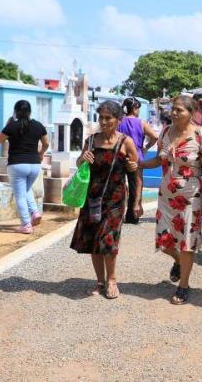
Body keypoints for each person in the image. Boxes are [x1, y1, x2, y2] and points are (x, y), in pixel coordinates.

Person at [135, 95, 202, 304]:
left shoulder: (200, 135)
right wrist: (139, 164)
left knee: (187, 241)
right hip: (166, 195)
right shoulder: (166, 132)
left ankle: (184, 285)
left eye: (180, 110)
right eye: (173, 109)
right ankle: (178, 261)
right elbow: (159, 160)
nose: (175, 113)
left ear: (191, 112)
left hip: (190, 196)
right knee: (165, 241)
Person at [70, 101, 141, 299]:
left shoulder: (125, 142)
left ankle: (112, 280)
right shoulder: (92, 141)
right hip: (92, 197)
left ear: (118, 120)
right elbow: (79, 164)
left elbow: (135, 172)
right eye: (101, 117)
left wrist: (136, 202)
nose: (103, 121)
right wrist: (83, 158)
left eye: (108, 118)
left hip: (116, 199)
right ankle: (100, 281)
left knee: (108, 239)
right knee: (94, 239)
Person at [0, 100, 50, 234]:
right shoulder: (38, 125)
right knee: (26, 190)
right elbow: (46, 143)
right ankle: (35, 212)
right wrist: (41, 153)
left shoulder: (11, 126)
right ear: (30, 112)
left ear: (15, 112)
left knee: (20, 195)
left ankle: (26, 224)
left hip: (17, 164)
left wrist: (6, 128)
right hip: (35, 165)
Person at [119, 97, 158, 224]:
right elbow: (155, 137)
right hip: (137, 156)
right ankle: (133, 215)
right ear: (135, 108)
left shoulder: (119, 122)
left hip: (121, 156)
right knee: (136, 185)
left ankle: (118, 214)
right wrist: (146, 148)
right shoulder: (141, 123)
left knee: (119, 185)